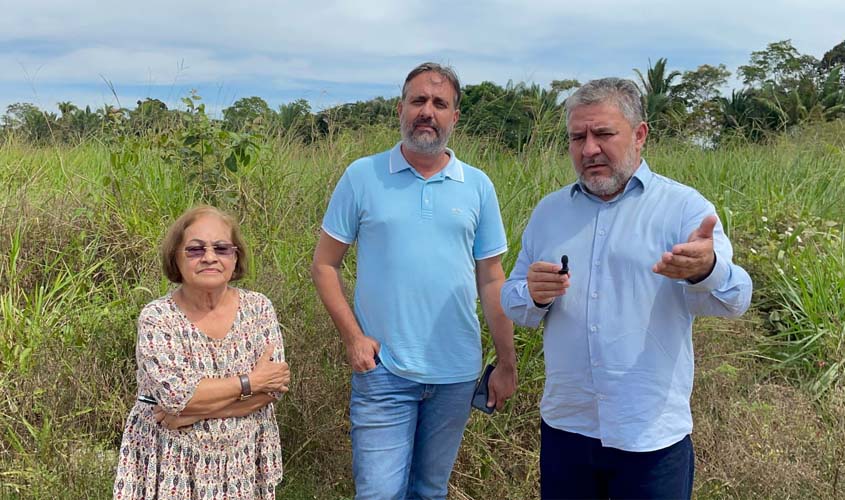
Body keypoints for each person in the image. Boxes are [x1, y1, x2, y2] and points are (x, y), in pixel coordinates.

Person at [501, 78, 753, 499]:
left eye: (602, 134)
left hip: (650, 433)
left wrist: (705, 269)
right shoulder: (549, 213)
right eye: (577, 137)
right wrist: (534, 294)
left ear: (639, 135)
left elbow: (736, 299)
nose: (588, 149)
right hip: (568, 428)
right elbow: (515, 303)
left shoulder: (684, 209)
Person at [311, 62, 517, 499]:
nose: (428, 111)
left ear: (454, 117)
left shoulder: (477, 186)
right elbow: (324, 265)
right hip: (384, 369)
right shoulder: (363, 176)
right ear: (400, 108)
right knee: (380, 493)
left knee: (429, 490)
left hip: (455, 374)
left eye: (440, 103)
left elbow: (491, 279)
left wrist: (506, 362)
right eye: (418, 100)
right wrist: (354, 338)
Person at [113, 205, 290, 500]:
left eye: (221, 248)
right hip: (171, 461)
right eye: (195, 250)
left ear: (235, 257)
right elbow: (175, 397)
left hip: (242, 461)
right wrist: (250, 382)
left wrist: (195, 411)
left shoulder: (259, 308)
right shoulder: (158, 317)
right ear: (176, 258)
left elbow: (272, 390)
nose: (210, 257)